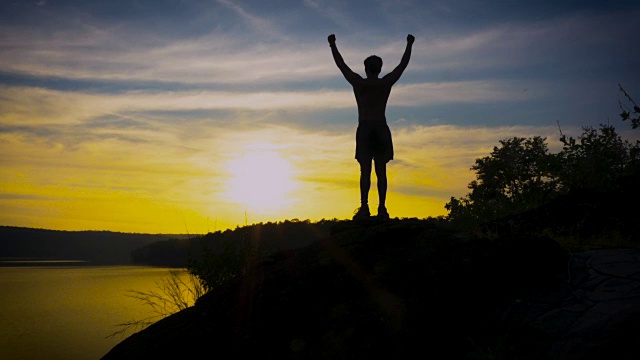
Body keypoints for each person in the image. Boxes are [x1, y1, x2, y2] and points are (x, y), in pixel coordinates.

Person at [328, 33, 414, 220]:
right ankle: (381, 208)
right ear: (379, 68)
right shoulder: (384, 83)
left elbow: (342, 66)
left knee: (365, 170)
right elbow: (402, 65)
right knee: (380, 171)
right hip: (380, 127)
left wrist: (333, 45)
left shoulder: (359, 83)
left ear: (365, 69)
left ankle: (365, 207)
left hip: (367, 127)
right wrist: (409, 45)